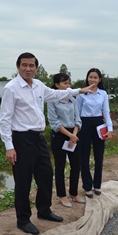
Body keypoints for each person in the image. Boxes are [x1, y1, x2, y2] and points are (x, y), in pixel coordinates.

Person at [0, 52, 95, 235]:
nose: (28, 68)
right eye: (24, 65)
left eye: (31, 65)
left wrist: (79, 91)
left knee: (45, 174)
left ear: (36, 67)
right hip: (21, 139)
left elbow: (57, 94)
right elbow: (4, 119)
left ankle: (44, 210)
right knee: (23, 181)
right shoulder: (11, 89)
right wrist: (9, 146)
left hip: (39, 138)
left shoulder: (38, 86)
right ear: (18, 67)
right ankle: (23, 219)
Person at [47, 73, 86, 207]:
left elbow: (77, 119)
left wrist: (74, 135)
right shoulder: (52, 101)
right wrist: (69, 136)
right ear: (57, 85)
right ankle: (62, 195)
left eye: (69, 83)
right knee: (60, 165)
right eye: (64, 83)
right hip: (60, 136)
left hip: (74, 135)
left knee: (76, 164)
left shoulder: (72, 100)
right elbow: (54, 123)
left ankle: (74, 193)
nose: (68, 86)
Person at [76, 68, 114, 198]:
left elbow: (106, 113)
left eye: (95, 77)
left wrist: (110, 129)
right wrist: (77, 129)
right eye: (90, 77)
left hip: (99, 124)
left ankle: (97, 185)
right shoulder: (81, 94)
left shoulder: (103, 94)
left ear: (99, 80)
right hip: (84, 124)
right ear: (87, 78)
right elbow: (77, 113)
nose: (92, 79)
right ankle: (87, 186)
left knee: (99, 156)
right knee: (84, 157)